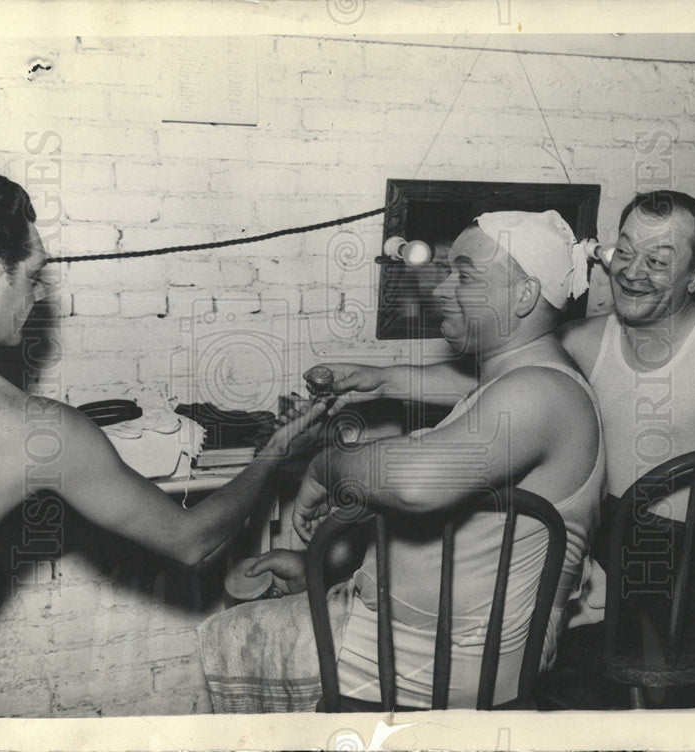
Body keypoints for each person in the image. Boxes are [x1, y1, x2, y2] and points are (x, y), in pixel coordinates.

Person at [323, 190, 695, 643]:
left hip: (678, 560)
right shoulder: (585, 338)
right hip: (598, 541)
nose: (632, 271)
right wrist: (379, 380)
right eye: (624, 251)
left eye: (657, 262)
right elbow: (495, 387)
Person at [199, 210, 605, 710]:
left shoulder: (539, 393)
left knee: (230, 633)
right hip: (442, 647)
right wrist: (318, 575)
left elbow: (416, 483)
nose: (439, 291)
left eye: (465, 275)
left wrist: (328, 466)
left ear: (523, 296)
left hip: (447, 665)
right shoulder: (530, 376)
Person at [0, 164, 325, 631]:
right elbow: (191, 541)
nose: (39, 292)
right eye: (33, 275)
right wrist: (274, 455)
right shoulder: (28, 427)